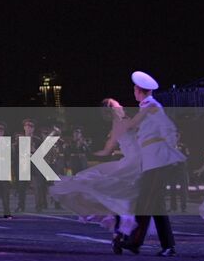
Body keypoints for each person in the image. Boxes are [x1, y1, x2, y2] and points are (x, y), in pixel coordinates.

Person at [50, 98, 142, 238]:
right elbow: (108, 149)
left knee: (113, 189)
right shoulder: (123, 121)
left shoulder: (123, 122)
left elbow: (107, 150)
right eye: (117, 105)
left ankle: (122, 228)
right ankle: (121, 228)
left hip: (135, 161)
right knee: (111, 189)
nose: (121, 106)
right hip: (134, 161)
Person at [117, 70, 182, 256]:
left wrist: (120, 113)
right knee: (153, 203)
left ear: (139, 90)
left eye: (134, 89)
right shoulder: (148, 106)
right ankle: (150, 243)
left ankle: (138, 241)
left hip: (158, 160)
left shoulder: (151, 106)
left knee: (148, 202)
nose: (133, 92)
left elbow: (164, 129)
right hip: (152, 160)